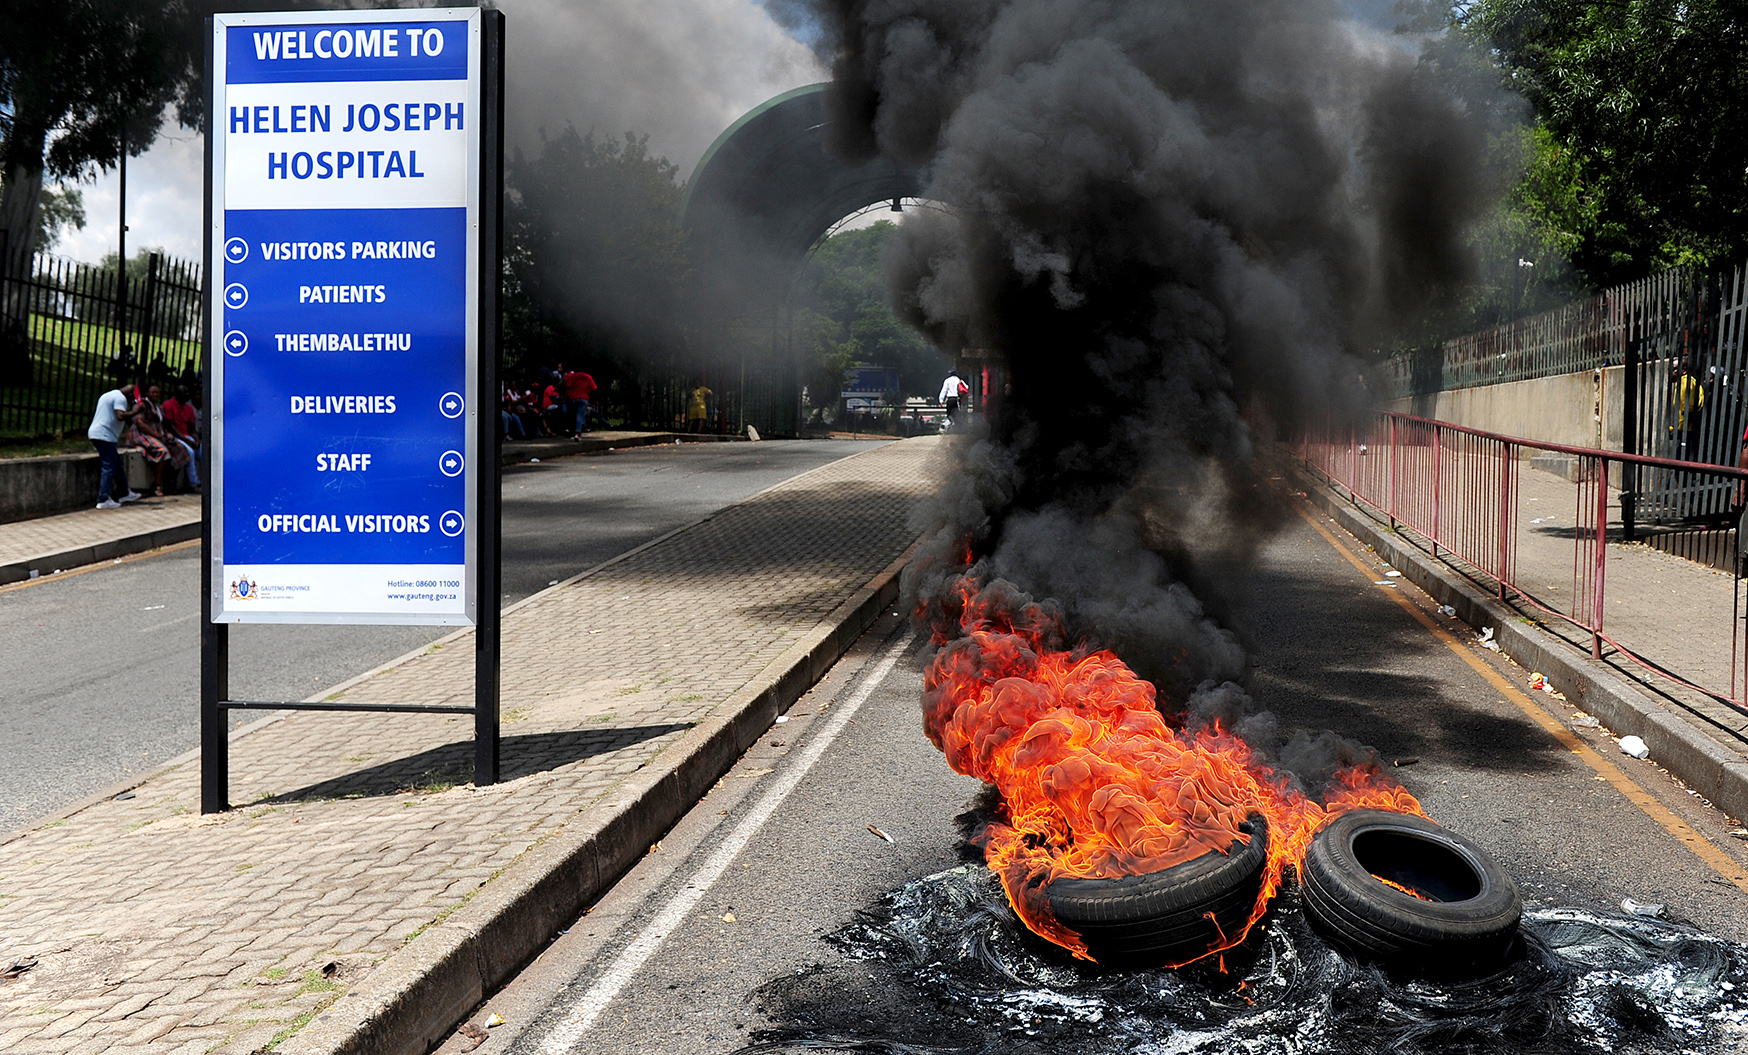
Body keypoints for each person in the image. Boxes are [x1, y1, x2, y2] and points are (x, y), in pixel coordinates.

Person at [123, 384, 191, 496]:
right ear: (148, 394)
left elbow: (162, 423)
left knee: (180, 449)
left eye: (157, 392)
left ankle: (170, 482)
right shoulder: (141, 405)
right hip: (143, 434)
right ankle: (157, 485)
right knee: (162, 451)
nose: (155, 394)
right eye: (153, 392)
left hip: (158, 433)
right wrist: (157, 436)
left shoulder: (158, 407)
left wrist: (167, 434)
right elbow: (140, 424)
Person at [87, 385, 143, 509]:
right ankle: (103, 499)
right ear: (129, 395)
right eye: (131, 400)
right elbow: (120, 416)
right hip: (104, 435)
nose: (129, 403)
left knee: (117, 464)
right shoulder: (120, 398)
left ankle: (124, 493)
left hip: (99, 433)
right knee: (109, 466)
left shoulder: (108, 394)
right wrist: (136, 411)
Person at [160, 383, 201, 492]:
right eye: (184, 393)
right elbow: (170, 427)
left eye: (187, 393)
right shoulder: (168, 405)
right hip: (175, 437)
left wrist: (196, 439)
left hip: (187, 437)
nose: (187, 395)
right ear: (177, 394)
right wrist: (186, 440)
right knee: (190, 453)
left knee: (203, 453)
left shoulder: (189, 408)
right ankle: (194, 484)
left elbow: (192, 428)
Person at [561, 366, 598, 437]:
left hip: (573, 398)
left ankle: (571, 431)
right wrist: (593, 400)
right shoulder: (587, 376)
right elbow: (594, 388)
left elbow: (567, 386)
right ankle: (578, 432)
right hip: (583, 398)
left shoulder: (571, 376)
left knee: (572, 415)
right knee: (580, 415)